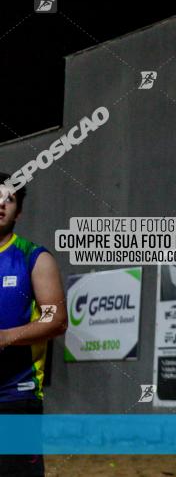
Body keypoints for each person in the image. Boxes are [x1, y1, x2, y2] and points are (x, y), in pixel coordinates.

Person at [0, 176, 68, 477]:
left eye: (9, 199)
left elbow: (56, 319)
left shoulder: (33, 258)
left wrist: (6, 337)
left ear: (19, 212)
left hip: (16, 395)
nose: (0, 204)